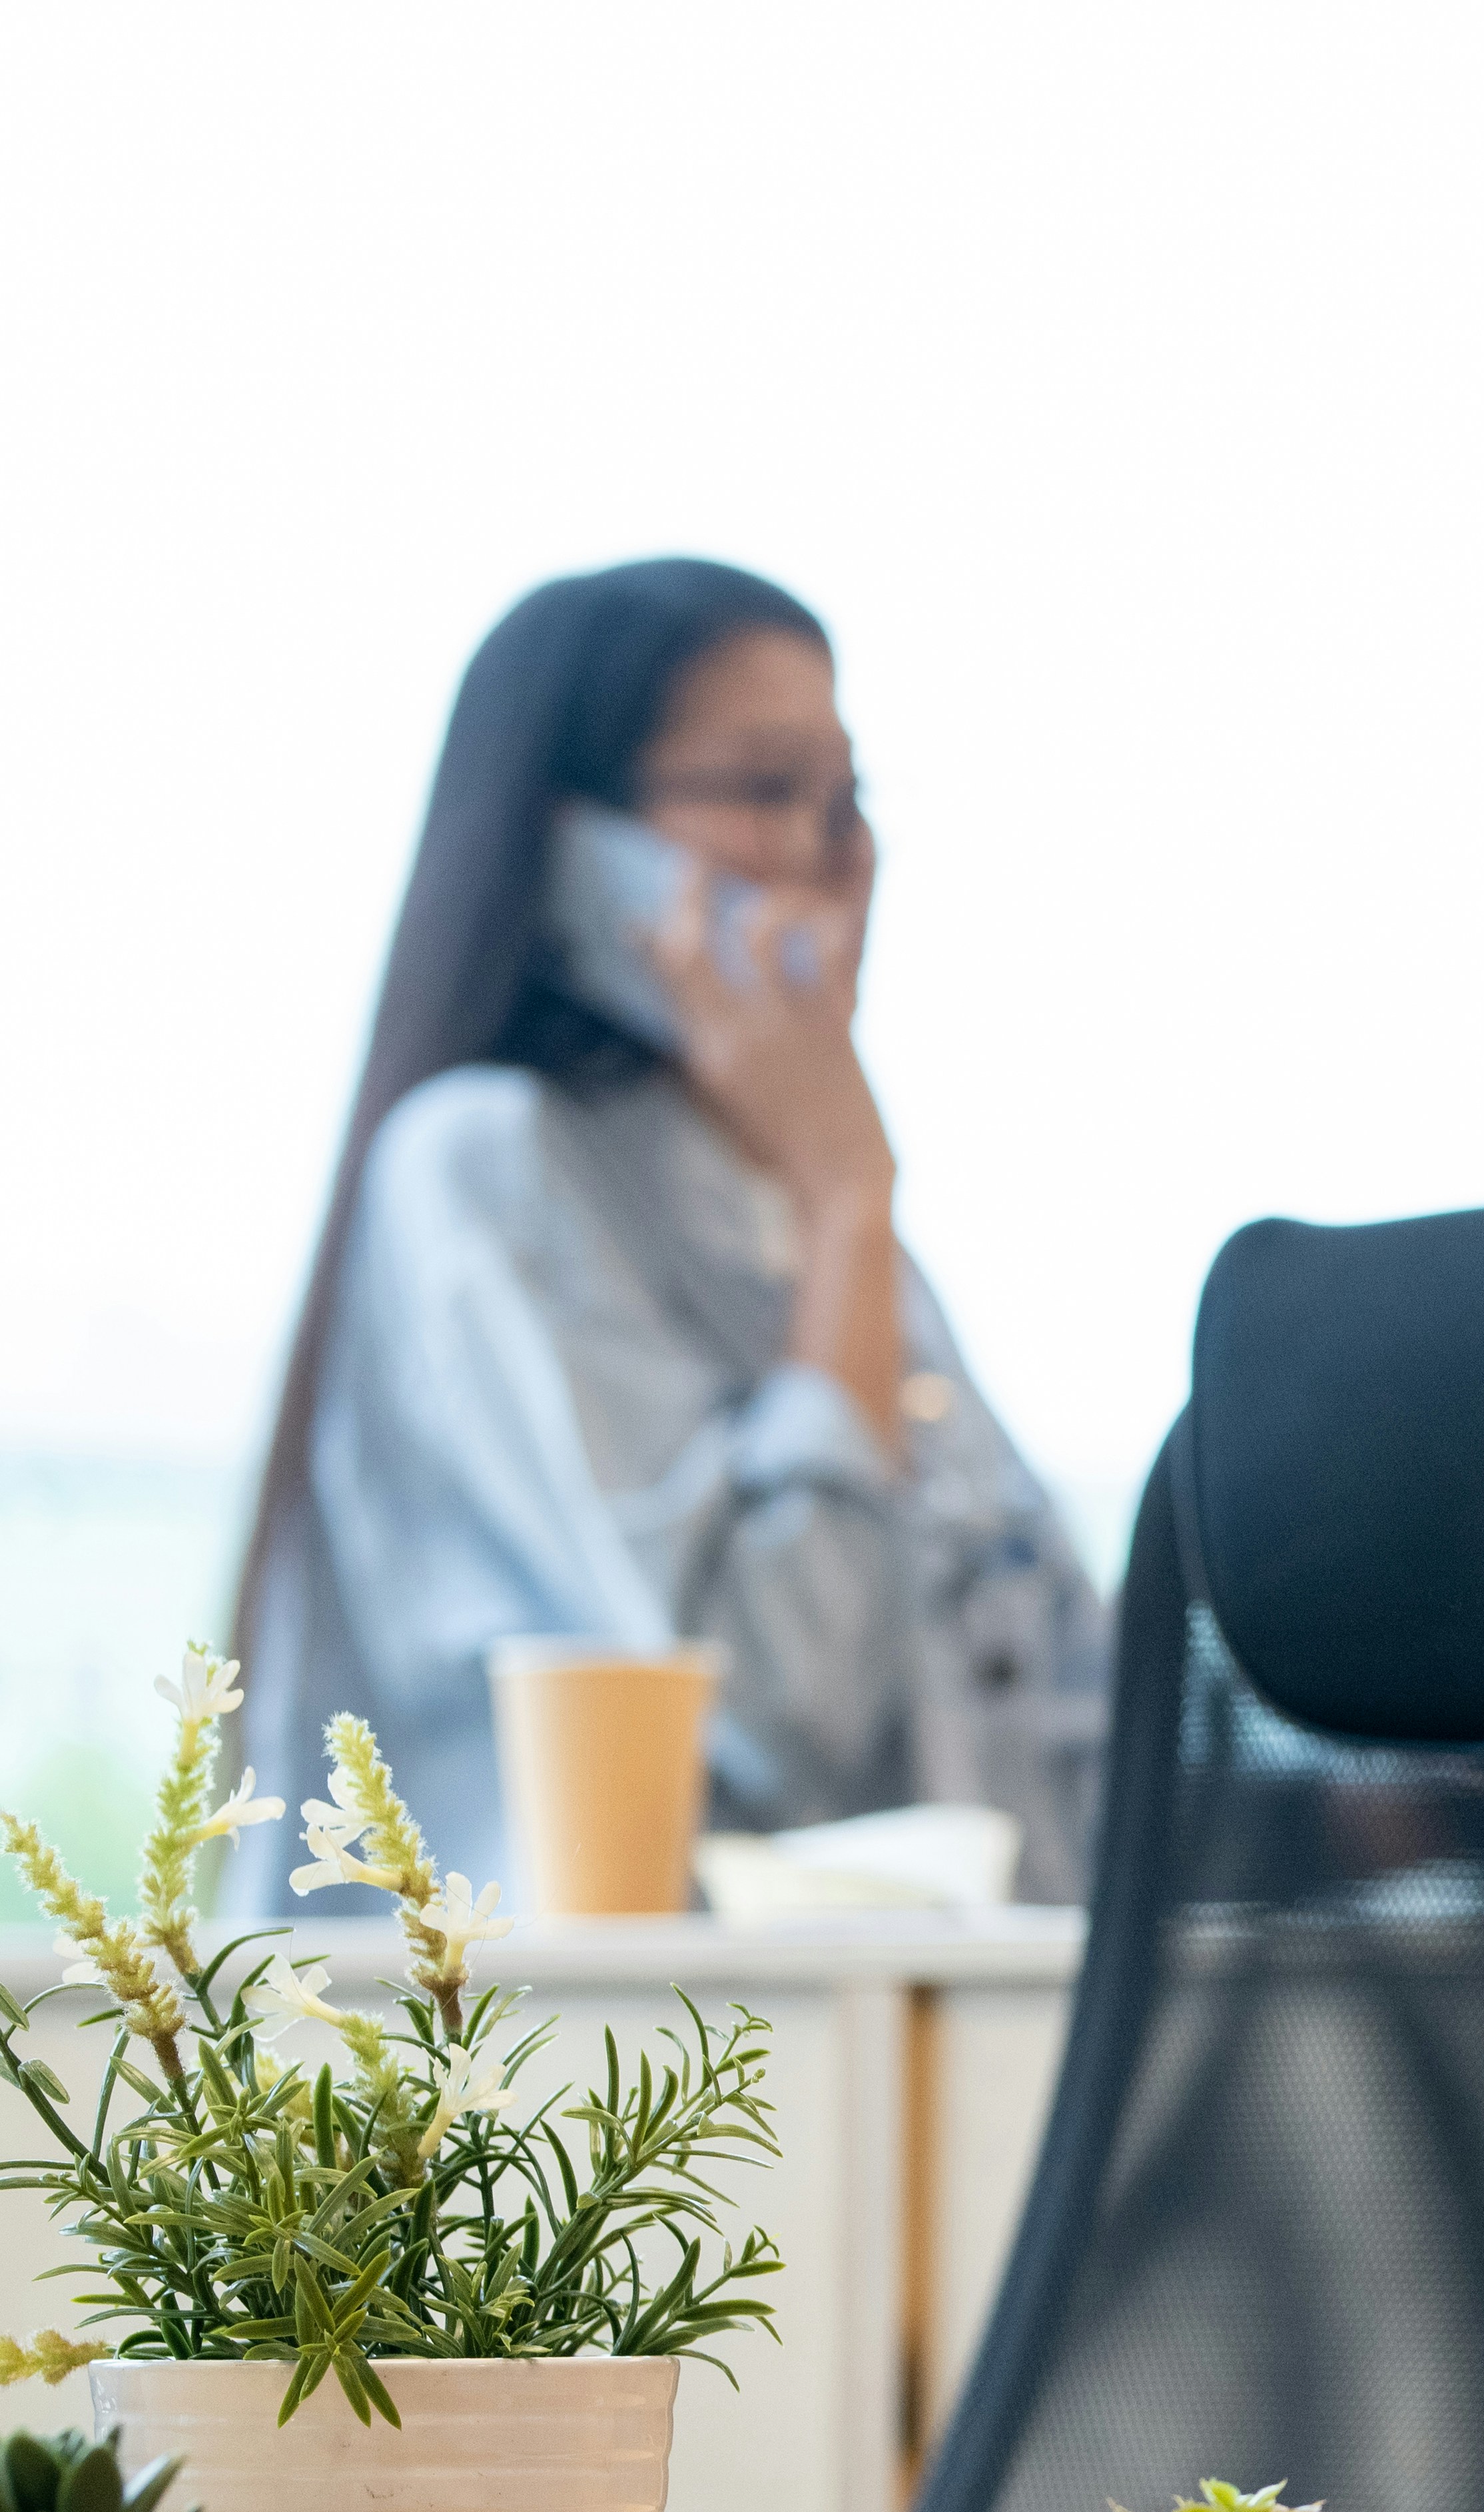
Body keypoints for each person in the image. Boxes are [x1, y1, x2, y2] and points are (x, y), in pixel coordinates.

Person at [238, 558, 1105, 1909]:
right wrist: (842, 1198)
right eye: (769, 790)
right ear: (579, 843)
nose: (835, 853)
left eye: (850, 796)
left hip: (903, 2058)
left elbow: (1070, 1728)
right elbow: (774, 1713)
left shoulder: (868, 1267)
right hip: (583, 2087)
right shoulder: (487, 1167)